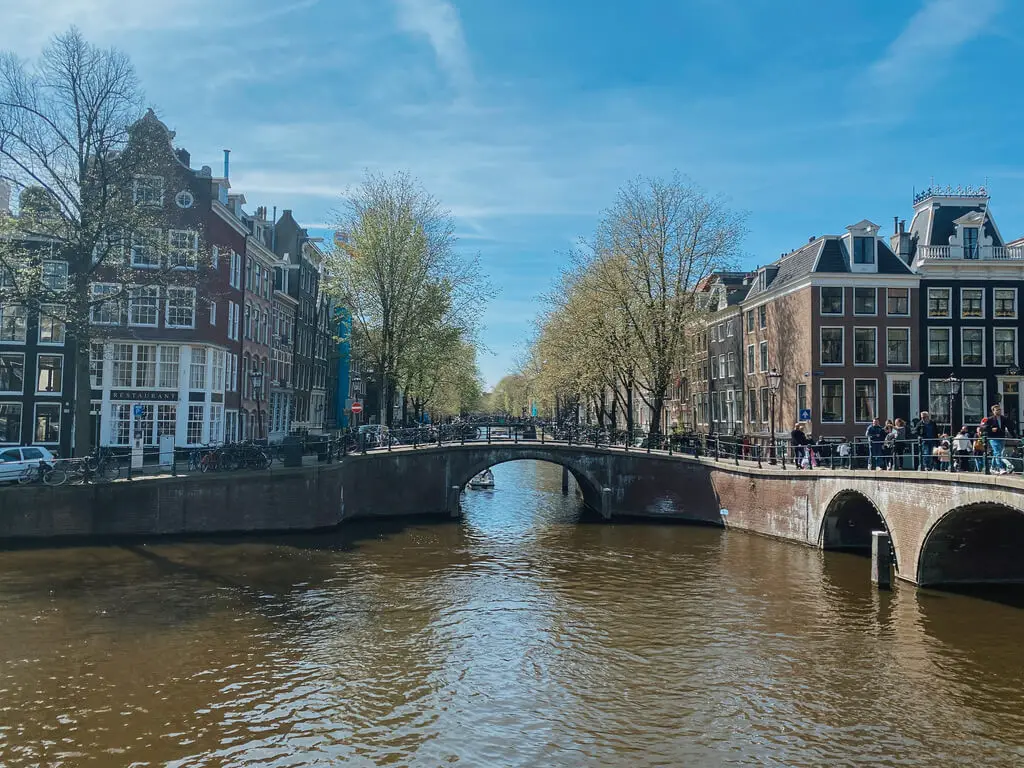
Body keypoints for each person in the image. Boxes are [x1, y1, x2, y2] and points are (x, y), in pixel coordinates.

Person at [982, 404, 1016, 474]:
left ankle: (992, 468)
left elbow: (1010, 427)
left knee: (997, 453)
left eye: (999, 409)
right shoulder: (990, 419)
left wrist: (1014, 437)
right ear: (993, 411)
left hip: (1001, 437)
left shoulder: (1004, 418)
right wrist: (991, 429)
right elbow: (983, 428)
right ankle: (1001, 468)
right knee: (998, 453)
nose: (999, 411)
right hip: (993, 438)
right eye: (997, 410)